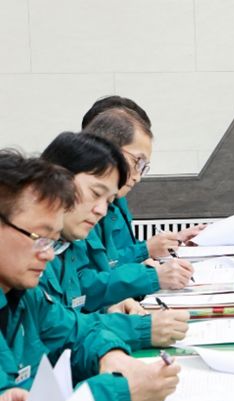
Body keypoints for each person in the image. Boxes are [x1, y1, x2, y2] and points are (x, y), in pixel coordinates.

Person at [0, 150, 179, 401]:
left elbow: (78, 332)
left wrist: (111, 355)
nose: (49, 255)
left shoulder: (26, 297)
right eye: (39, 237)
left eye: (52, 241)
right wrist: (119, 392)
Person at [40, 131, 189, 349]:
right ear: (55, 181)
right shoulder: (29, 248)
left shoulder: (67, 241)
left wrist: (109, 309)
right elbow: (50, 329)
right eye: (95, 193)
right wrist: (138, 329)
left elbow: (72, 308)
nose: (101, 210)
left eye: (108, 201)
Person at [75, 108, 194, 312]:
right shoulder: (71, 210)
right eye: (137, 162)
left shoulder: (112, 202)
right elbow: (82, 290)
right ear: (107, 150)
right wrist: (148, 267)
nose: (138, 177)